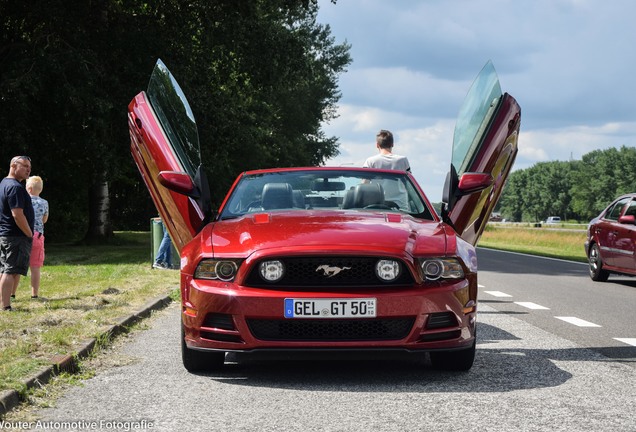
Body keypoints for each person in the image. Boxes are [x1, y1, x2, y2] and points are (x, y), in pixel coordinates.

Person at [0, 156, 35, 311]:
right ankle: (6, 306)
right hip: (15, 236)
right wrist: (29, 233)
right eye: (25, 166)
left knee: (7, 269)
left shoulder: (4, 183)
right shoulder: (15, 187)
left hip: (8, 235)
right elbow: (17, 215)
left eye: (30, 167)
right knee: (9, 270)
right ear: (14, 165)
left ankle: (4, 301)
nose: (28, 169)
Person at [363, 130, 411, 209]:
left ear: (377, 145)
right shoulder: (403, 160)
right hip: (400, 206)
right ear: (392, 144)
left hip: (376, 206)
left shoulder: (370, 161)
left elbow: (364, 185)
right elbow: (409, 185)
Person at [26, 176, 49, 299]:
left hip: (23, 234)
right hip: (38, 236)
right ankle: (34, 294)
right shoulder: (44, 202)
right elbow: (44, 220)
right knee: (35, 267)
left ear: (29, 189)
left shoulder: (24, 201)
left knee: (16, 265)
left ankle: (11, 293)